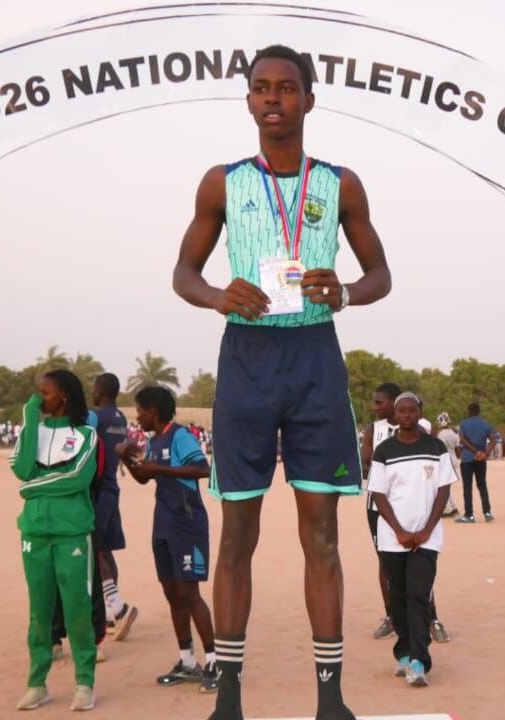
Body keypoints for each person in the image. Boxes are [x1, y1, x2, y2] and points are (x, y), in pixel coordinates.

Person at [172, 44, 391, 720]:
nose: (274, 99)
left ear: (309, 100)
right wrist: (216, 296)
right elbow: (183, 272)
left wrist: (348, 292)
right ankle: (228, 698)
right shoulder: (222, 182)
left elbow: (381, 274)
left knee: (321, 534)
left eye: (287, 89)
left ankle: (331, 701)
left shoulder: (341, 183)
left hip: (314, 361)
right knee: (236, 533)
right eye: (262, 88)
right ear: (248, 101)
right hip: (245, 359)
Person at [116, 386, 219, 693]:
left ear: (154, 410)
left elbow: (203, 468)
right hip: (163, 525)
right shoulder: (154, 440)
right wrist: (128, 459)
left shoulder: (180, 436)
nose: (137, 417)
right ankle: (187, 661)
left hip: (187, 524)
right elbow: (146, 476)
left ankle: (215, 662)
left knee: (190, 594)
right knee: (173, 593)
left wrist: (158, 467)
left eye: (140, 410)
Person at [10, 370, 99, 712]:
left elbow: (76, 478)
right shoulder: (32, 431)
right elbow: (21, 469)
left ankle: (84, 683)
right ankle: (37, 683)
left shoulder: (86, 435)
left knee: (77, 609)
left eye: (43, 394)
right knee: (39, 612)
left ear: (62, 396)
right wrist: (30, 417)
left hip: (72, 533)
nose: (37, 398)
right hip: (34, 533)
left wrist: (32, 487)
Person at [367, 392, 455, 688]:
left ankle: (419, 661)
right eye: (401, 410)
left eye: (411, 410)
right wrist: (400, 531)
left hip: (427, 538)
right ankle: (403, 652)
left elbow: (443, 491)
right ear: (395, 414)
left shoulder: (436, 446)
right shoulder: (384, 451)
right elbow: (378, 494)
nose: (406, 414)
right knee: (399, 597)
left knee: (419, 595)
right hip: (394, 538)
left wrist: (427, 529)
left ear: (420, 413)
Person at [90, 373, 138, 640]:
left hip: (98, 489)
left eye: (94, 388)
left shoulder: (95, 416)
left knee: (93, 547)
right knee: (106, 549)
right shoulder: (120, 417)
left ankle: (117, 607)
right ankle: (110, 613)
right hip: (112, 487)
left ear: (101, 391)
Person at [360, 383, 402, 641]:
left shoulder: (420, 427)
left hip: (409, 505)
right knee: (385, 561)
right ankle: (391, 616)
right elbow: (365, 466)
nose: (375, 408)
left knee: (419, 559)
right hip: (377, 505)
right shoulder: (372, 430)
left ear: (395, 402)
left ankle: (430, 616)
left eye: (380, 403)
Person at [455, 403, 496, 523]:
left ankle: (469, 515)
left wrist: (474, 451)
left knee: (467, 487)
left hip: (467, 458)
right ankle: (487, 512)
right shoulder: (486, 424)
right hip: (481, 460)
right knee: (482, 485)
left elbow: (462, 439)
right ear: (479, 412)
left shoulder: (464, 423)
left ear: (469, 411)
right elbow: (493, 441)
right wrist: (485, 453)